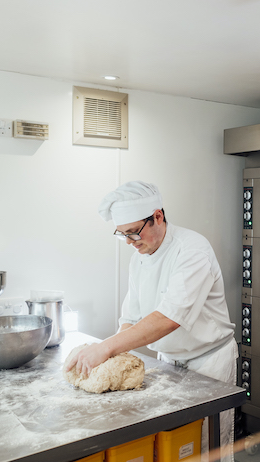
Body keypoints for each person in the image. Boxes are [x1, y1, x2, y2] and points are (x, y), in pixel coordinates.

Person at [66, 181, 237, 462]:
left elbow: (169, 318)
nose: (131, 243)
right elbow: (132, 318)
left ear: (157, 216)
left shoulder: (192, 250)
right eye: (123, 236)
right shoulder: (139, 258)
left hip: (208, 364)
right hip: (169, 363)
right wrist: (114, 357)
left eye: (134, 233)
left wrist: (106, 347)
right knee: (176, 448)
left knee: (208, 449)